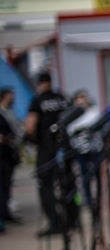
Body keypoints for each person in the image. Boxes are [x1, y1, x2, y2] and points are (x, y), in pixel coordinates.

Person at [25, 72, 75, 237]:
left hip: (47, 150)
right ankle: (72, 221)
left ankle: (55, 223)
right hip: (65, 148)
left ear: (39, 83)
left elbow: (30, 127)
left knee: (45, 186)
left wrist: (34, 140)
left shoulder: (37, 100)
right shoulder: (62, 98)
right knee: (68, 184)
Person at [0, 87, 23, 231]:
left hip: (6, 155)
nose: (13, 98)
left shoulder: (8, 113)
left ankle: (5, 214)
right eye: (10, 95)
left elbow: (11, 132)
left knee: (6, 186)